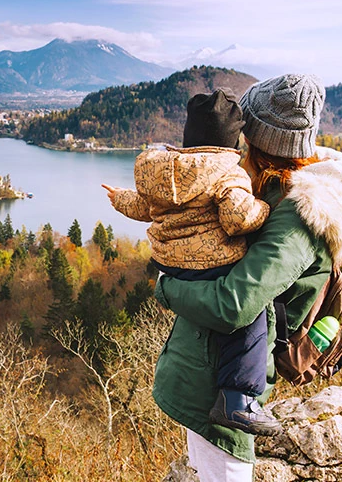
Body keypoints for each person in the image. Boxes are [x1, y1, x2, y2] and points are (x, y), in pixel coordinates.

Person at [152, 74, 342, 482]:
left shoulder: (298, 215)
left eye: (244, 134)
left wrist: (165, 286)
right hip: (209, 378)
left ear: (259, 141)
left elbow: (233, 305)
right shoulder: (268, 192)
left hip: (221, 391)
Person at [102, 88, 282, 435]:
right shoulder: (228, 172)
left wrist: (119, 198)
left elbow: (144, 207)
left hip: (170, 263)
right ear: (233, 142)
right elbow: (236, 219)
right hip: (211, 263)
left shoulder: (166, 170)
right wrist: (263, 208)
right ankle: (238, 401)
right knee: (250, 317)